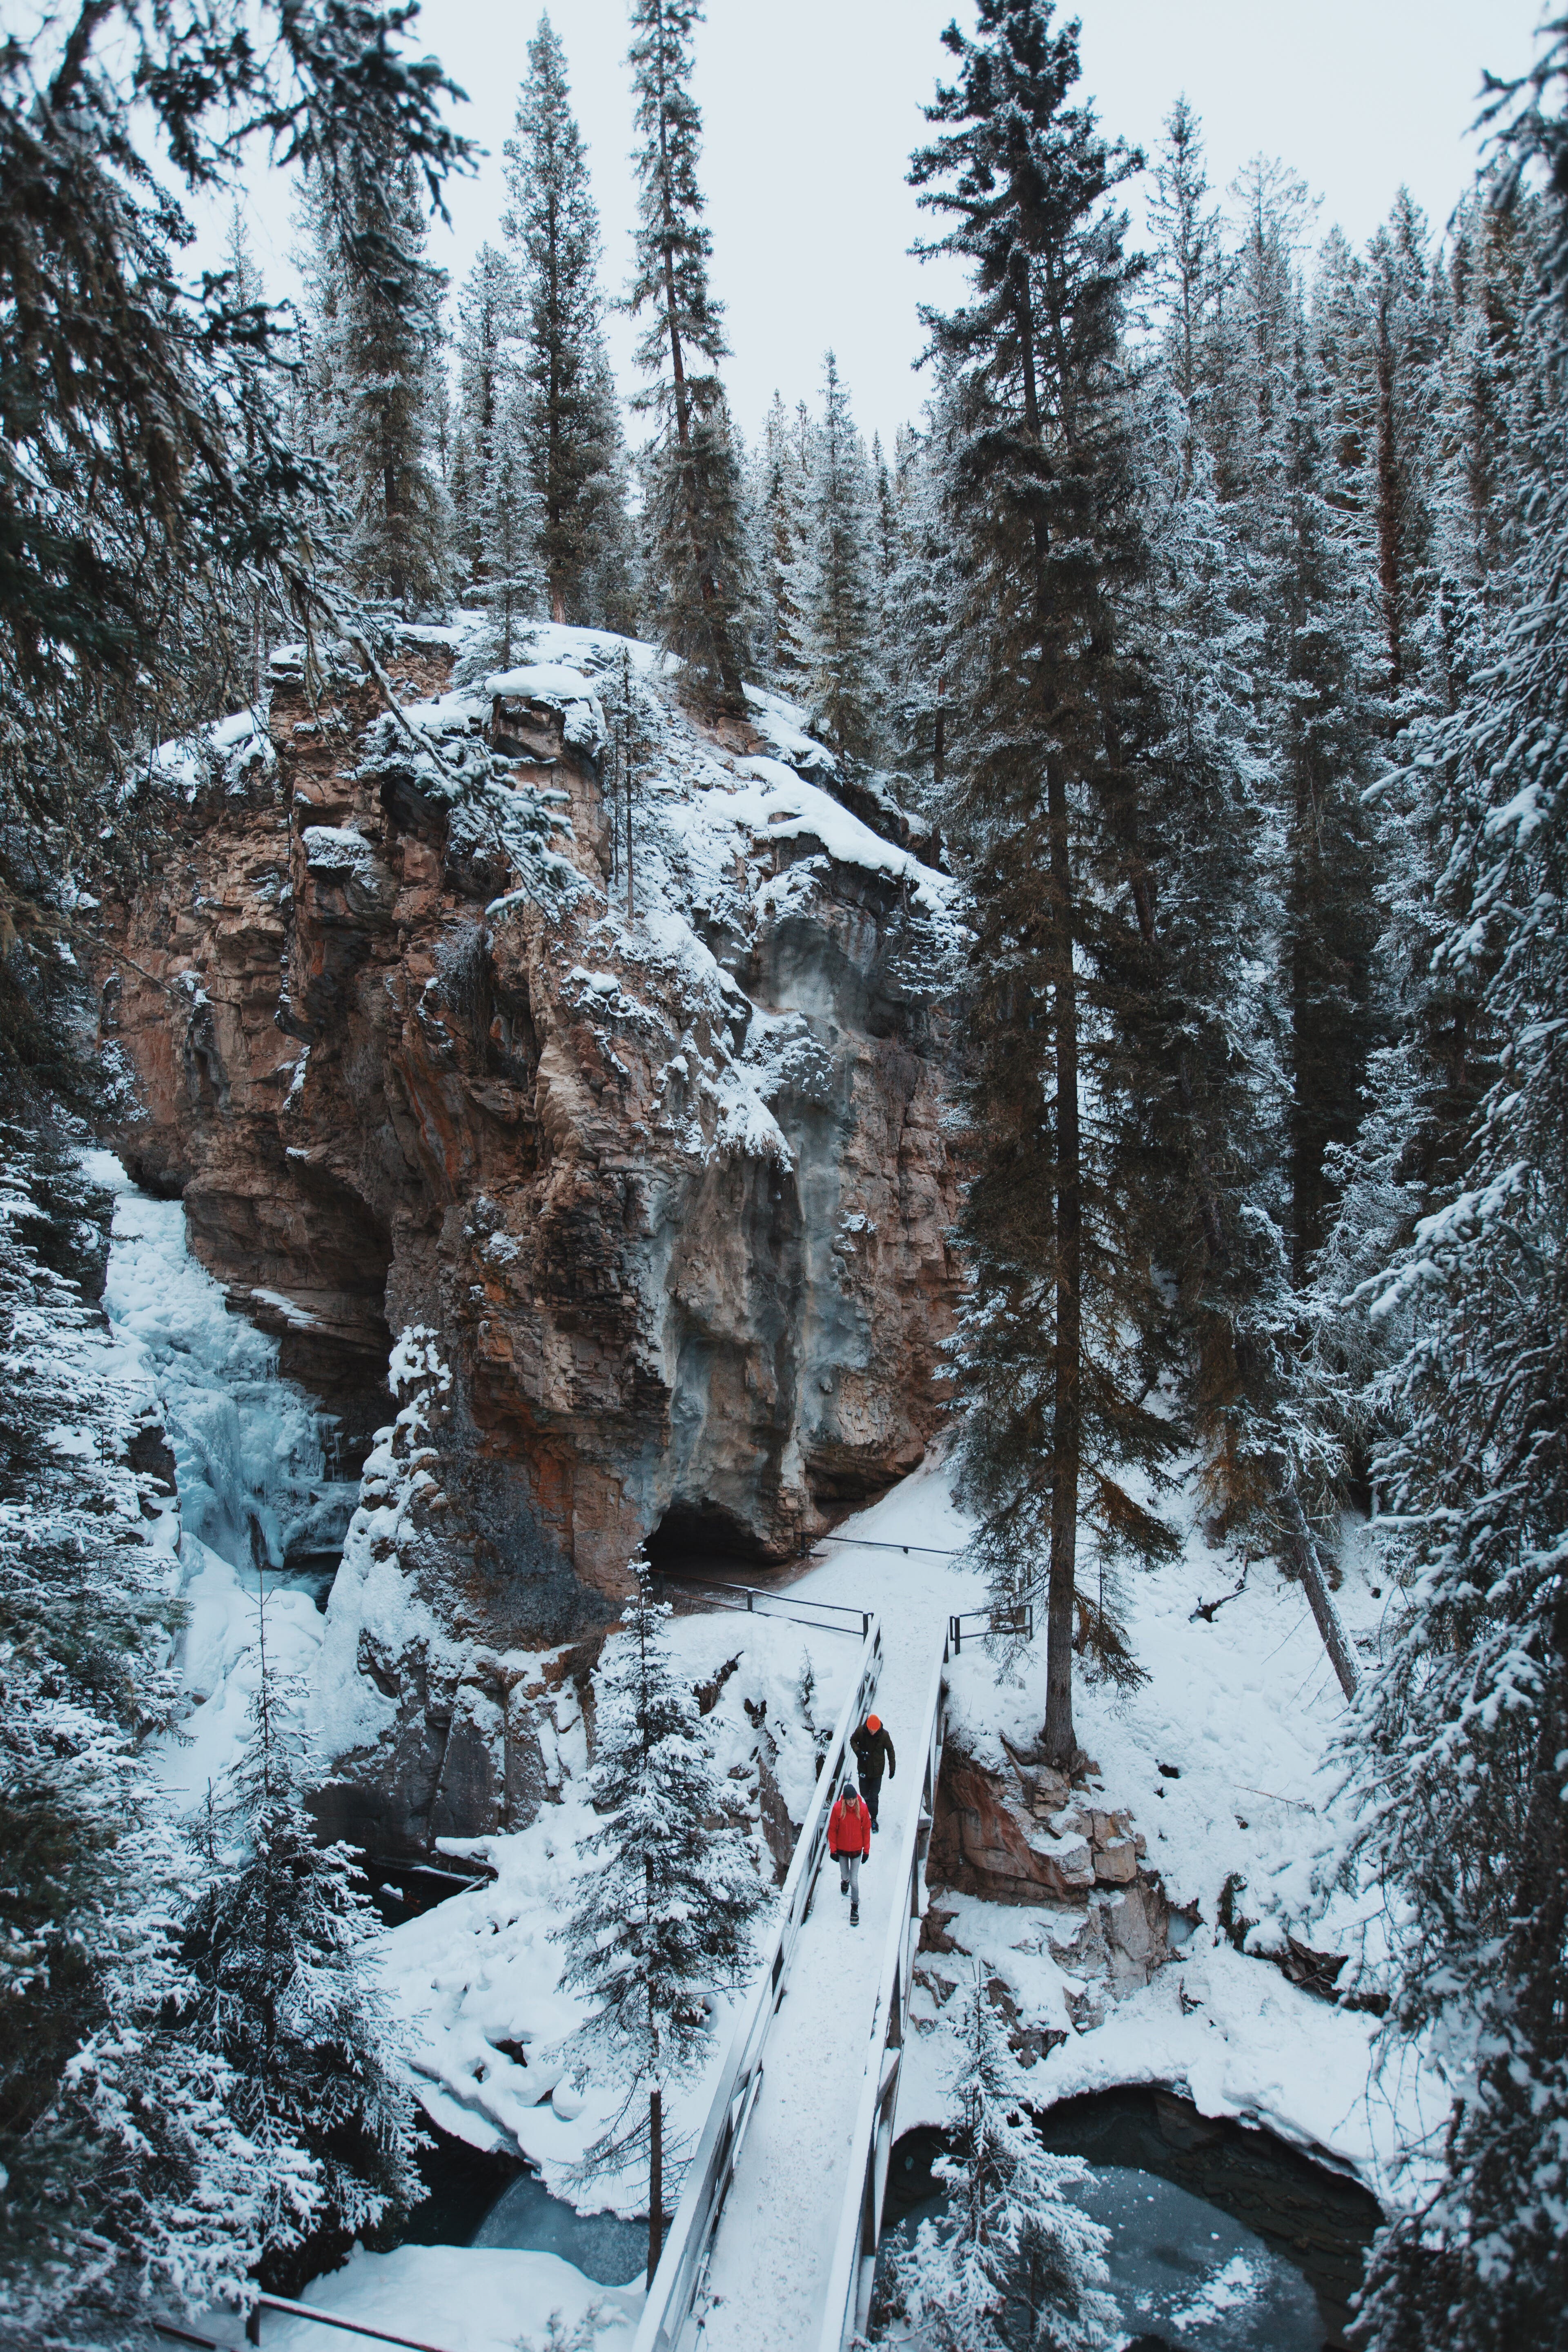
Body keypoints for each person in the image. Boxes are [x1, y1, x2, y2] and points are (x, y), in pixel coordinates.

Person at [828, 1778, 871, 1925]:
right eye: (849, 1800)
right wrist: (833, 1850)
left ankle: (854, 1907)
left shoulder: (863, 1809)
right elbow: (832, 1830)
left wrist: (867, 1850)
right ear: (845, 1800)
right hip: (842, 1850)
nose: (851, 1802)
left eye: (853, 1799)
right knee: (845, 1875)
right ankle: (844, 1881)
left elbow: (866, 1830)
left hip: (857, 1851)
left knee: (854, 1881)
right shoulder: (838, 1809)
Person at [851, 1713, 896, 1832]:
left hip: (877, 1771)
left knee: (874, 1795)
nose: (872, 1732)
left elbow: (890, 1751)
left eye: (874, 1730)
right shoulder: (861, 1731)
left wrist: (892, 1768)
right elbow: (853, 1741)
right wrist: (859, 1752)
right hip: (864, 1769)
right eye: (871, 1730)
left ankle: (874, 1819)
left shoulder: (884, 1736)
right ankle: (869, 1810)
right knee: (864, 1793)